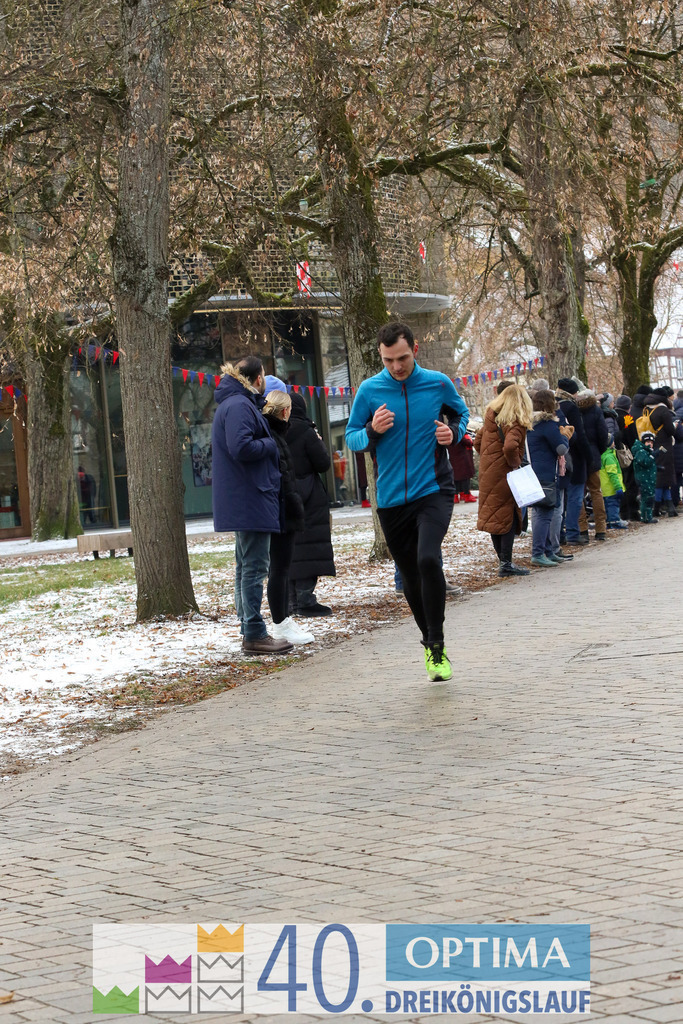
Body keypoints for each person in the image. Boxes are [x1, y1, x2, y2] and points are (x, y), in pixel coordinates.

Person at [345, 321, 469, 682]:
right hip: (391, 500)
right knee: (410, 575)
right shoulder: (369, 391)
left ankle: (438, 641)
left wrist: (453, 433)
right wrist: (371, 431)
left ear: (414, 349)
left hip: (432, 489)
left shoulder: (437, 383)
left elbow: (461, 415)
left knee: (428, 558)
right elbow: (352, 438)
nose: (396, 367)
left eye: (401, 358)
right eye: (388, 361)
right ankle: (430, 645)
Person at [211, 358, 293, 655]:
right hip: (250, 498)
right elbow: (241, 447)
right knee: (254, 568)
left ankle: (250, 627)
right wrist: (271, 442)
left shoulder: (234, 404)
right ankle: (255, 632)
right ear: (258, 378)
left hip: (246, 497)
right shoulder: (239, 406)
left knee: (246, 566)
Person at [261, 390, 315, 644]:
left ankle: (283, 621)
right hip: (280, 512)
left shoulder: (274, 435)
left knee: (280, 569)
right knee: (279, 570)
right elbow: (281, 478)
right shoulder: (274, 438)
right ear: (285, 412)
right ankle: (280, 623)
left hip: (281, 510)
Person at [475, 384, 533, 577]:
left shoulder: (491, 419)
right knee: (507, 517)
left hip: (488, 474)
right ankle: (506, 564)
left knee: (495, 517)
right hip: (505, 475)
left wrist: (489, 457)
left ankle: (503, 561)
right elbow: (510, 447)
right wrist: (515, 463)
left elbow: (477, 442)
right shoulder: (515, 421)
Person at [287, 391, 336, 616]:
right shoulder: (306, 432)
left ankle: (291, 603)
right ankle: (306, 600)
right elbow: (323, 463)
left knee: (288, 549)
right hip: (309, 495)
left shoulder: (273, 430)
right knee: (309, 547)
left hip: (284, 494)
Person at [526, 389, 571, 567]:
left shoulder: (530, 423)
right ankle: (539, 552)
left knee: (541, 512)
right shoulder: (548, 424)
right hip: (545, 473)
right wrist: (565, 437)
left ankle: (547, 551)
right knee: (544, 514)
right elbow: (561, 448)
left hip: (533, 471)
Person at [556, 378, 593, 546]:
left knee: (562, 498)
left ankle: (561, 532)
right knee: (575, 497)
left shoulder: (555, 406)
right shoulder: (571, 407)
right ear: (573, 392)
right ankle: (572, 532)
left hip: (560, 458)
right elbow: (580, 434)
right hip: (575, 458)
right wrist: (589, 456)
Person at [576, 389, 609, 541]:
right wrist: (599, 450)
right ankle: (601, 528)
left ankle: (582, 528)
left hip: (578, 454)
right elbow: (603, 434)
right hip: (594, 453)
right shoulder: (596, 410)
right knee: (596, 491)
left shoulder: (574, 409)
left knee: (579, 494)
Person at [642, 390, 682, 516]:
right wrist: (675, 425)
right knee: (662, 478)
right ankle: (656, 508)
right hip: (664, 447)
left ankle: (670, 507)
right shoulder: (663, 411)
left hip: (652, 444)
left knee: (663, 477)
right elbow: (670, 431)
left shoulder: (647, 409)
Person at [632, 431, 664, 524]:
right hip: (643, 479)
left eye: (651, 442)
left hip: (649, 479)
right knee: (646, 499)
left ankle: (648, 516)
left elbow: (649, 465)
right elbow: (645, 462)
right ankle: (646, 517)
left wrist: (657, 468)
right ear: (643, 442)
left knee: (649, 497)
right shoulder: (641, 451)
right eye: (648, 442)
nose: (650, 444)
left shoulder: (647, 451)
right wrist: (653, 455)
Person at [599, 442, 628, 529]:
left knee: (608, 505)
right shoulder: (609, 457)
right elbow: (613, 474)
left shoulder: (603, 455)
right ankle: (614, 522)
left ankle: (609, 521)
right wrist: (618, 487)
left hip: (605, 488)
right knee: (613, 505)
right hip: (611, 488)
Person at [448, 432, 477, 502]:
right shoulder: (459, 433)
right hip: (462, 459)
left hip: (453, 458)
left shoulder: (448, 434)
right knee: (465, 478)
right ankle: (467, 495)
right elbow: (469, 443)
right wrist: (469, 438)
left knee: (456, 478)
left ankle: (456, 496)